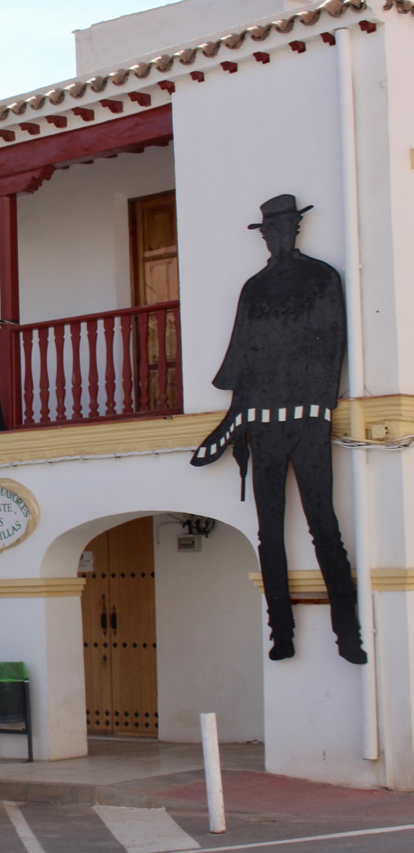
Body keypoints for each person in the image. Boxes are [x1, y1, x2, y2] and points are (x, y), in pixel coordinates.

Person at [191, 195, 365, 664]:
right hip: (262, 424)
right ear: (265, 234)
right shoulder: (256, 288)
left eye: (284, 227)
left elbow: (334, 343)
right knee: (270, 530)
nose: (277, 235)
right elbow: (241, 359)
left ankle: (347, 632)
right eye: (271, 229)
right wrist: (235, 419)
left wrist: (323, 402)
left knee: (322, 523)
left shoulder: (322, 278)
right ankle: (281, 631)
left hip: (308, 420)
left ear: (295, 229)